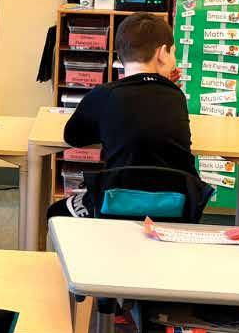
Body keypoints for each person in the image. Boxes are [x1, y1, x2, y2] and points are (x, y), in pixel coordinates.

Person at [48, 12, 195, 218]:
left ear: (119, 56)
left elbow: (72, 136)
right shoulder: (176, 96)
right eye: (173, 53)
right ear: (162, 54)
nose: (174, 61)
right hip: (175, 207)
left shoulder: (104, 95)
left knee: (54, 212)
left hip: (117, 205)